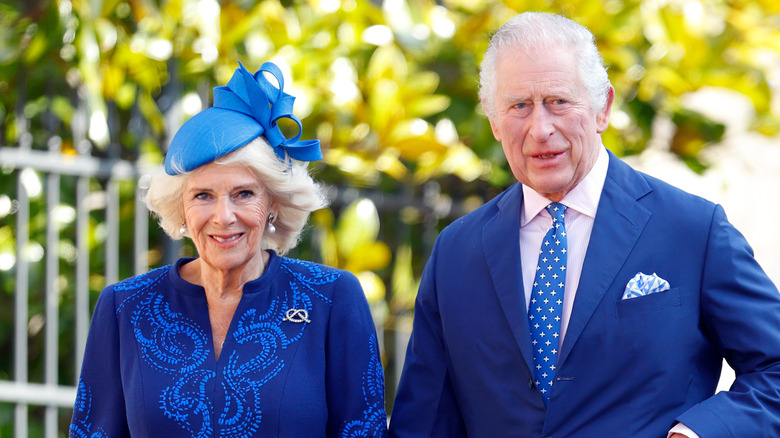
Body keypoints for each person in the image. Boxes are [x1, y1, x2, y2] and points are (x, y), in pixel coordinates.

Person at [388, 12, 780, 438]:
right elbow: (423, 420)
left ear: (602, 108)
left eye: (559, 101)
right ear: (494, 121)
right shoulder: (456, 251)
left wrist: (698, 432)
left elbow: (773, 368)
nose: (540, 129)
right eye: (519, 106)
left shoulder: (693, 230)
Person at [69, 61, 388, 438]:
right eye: (203, 195)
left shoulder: (330, 298)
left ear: (273, 204)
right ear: (181, 209)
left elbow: (363, 431)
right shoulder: (126, 306)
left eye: (244, 194)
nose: (224, 217)